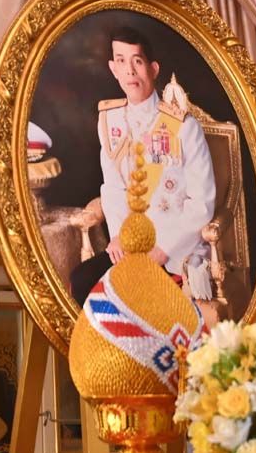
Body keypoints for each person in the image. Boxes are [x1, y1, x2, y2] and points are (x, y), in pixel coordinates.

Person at [70, 26, 216, 306]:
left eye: (137, 61)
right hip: (131, 246)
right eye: (121, 61)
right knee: (82, 280)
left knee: (133, 298)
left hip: (174, 251)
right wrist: (120, 238)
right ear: (113, 68)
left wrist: (163, 249)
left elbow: (202, 204)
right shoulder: (110, 122)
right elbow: (113, 188)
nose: (130, 71)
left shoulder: (184, 127)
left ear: (153, 68)